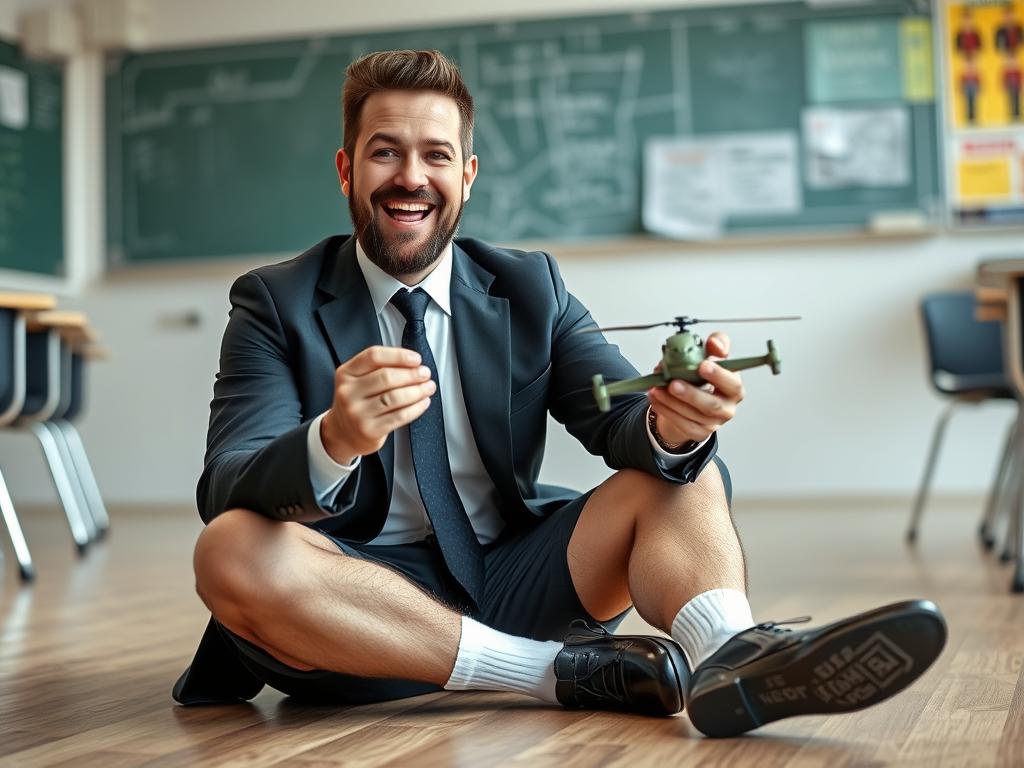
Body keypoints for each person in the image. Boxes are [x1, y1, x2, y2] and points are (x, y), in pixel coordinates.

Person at [173, 49, 946, 738]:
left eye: (436, 155)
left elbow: (620, 421)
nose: (411, 176)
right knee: (229, 548)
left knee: (682, 471)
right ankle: (547, 674)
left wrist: (673, 425)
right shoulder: (273, 301)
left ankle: (734, 661)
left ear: (466, 178)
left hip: (508, 574)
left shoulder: (529, 286)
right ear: (348, 171)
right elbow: (229, 479)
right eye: (385, 153)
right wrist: (334, 437)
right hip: (351, 613)